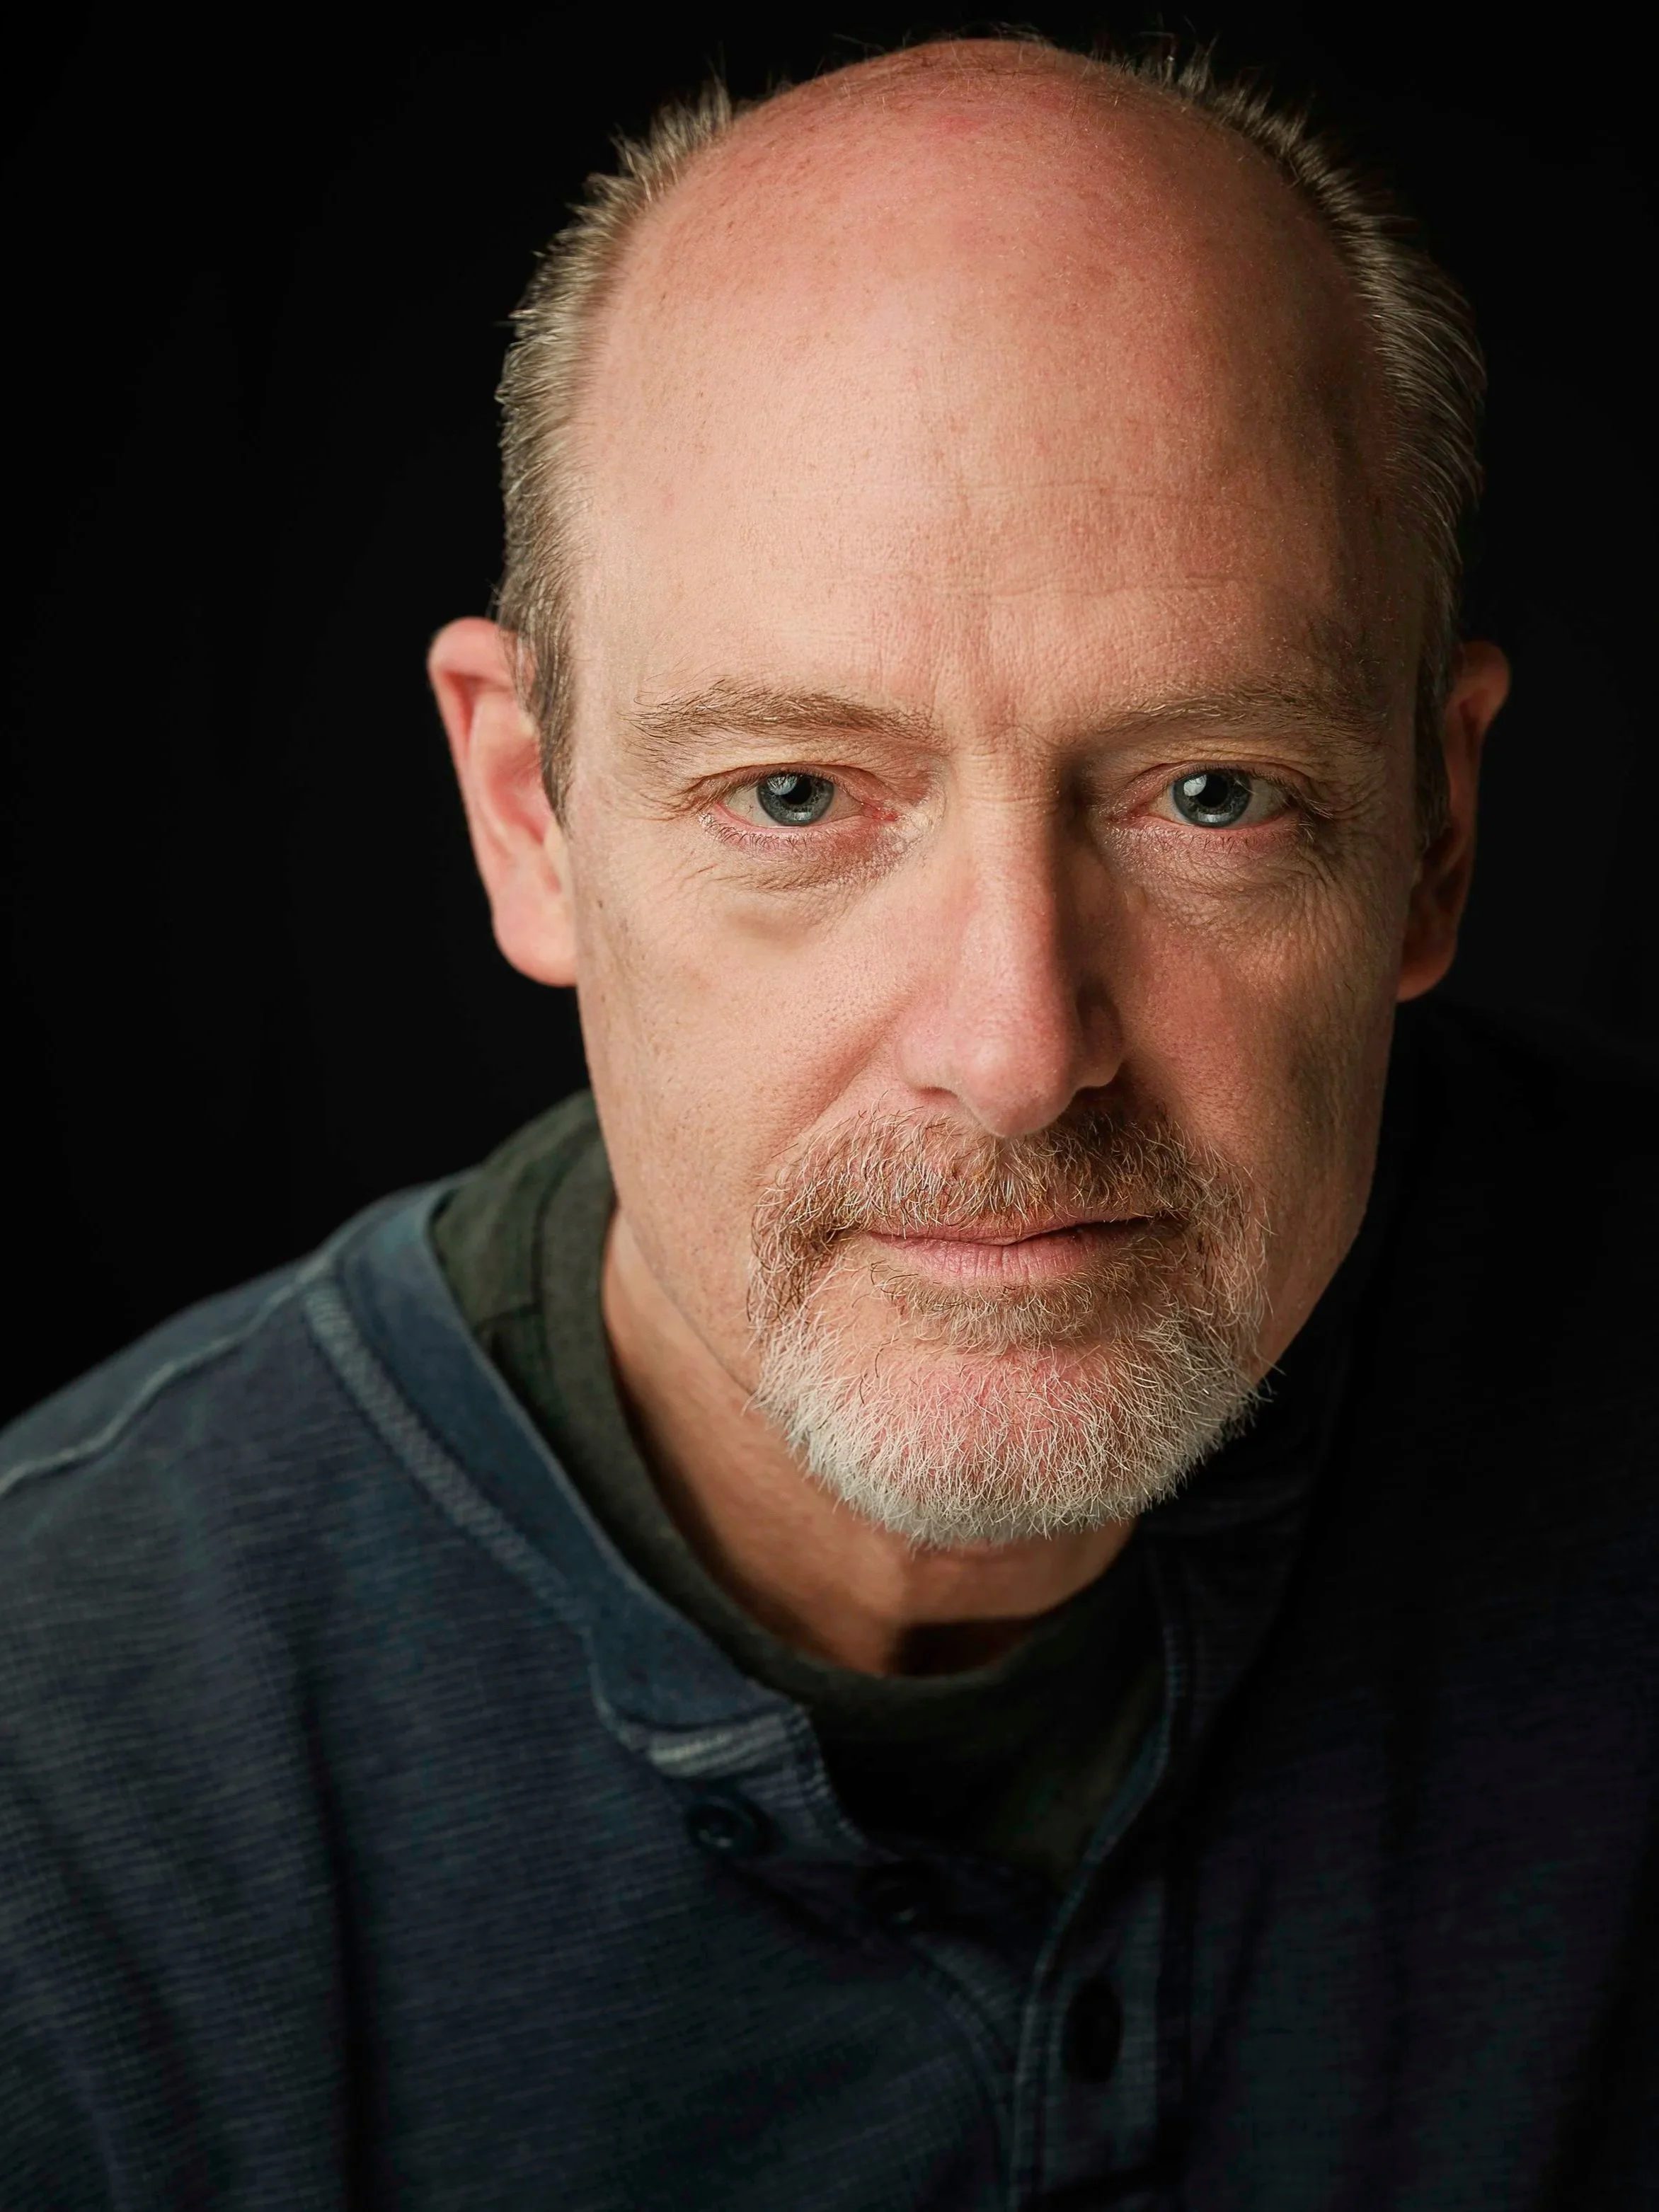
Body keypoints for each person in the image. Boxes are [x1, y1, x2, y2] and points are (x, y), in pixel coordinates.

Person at [2, 31, 1654, 2210]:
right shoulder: (61, 1781)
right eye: (797, 793)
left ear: (1432, 832)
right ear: (531, 817)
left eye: (1209, 794)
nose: (1015, 1042)